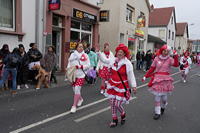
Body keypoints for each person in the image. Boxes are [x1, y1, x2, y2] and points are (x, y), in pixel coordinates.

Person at [104, 44, 137, 128]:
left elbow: (131, 75)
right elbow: (104, 60)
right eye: (118, 52)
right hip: (112, 84)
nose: (119, 53)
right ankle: (114, 119)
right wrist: (98, 53)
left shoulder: (127, 63)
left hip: (122, 86)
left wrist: (133, 86)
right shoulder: (113, 60)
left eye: (121, 52)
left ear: (125, 53)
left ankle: (123, 113)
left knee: (117, 104)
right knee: (112, 103)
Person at [142, 45, 179, 120]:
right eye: (164, 51)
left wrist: (176, 56)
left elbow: (176, 64)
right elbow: (152, 69)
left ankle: (163, 107)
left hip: (166, 80)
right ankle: (157, 112)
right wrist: (145, 76)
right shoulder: (156, 58)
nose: (165, 52)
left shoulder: (170, 59)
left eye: (167, 51)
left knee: (164, 98)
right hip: (157, 79)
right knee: (157, 97)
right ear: (161, 50)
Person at [67, 42, 90, 113]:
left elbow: (88, 65)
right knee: (75, 90)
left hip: (81, 75)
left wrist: (80, 66)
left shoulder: (85, 55)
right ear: (76, 47)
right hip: (74, 75)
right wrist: (68, 70)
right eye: (79, 47)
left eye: (82, 47)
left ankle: (74, 106)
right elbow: (69, 63)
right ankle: (80, 99)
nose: (81, 48)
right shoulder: (72, 55)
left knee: (77, 88)